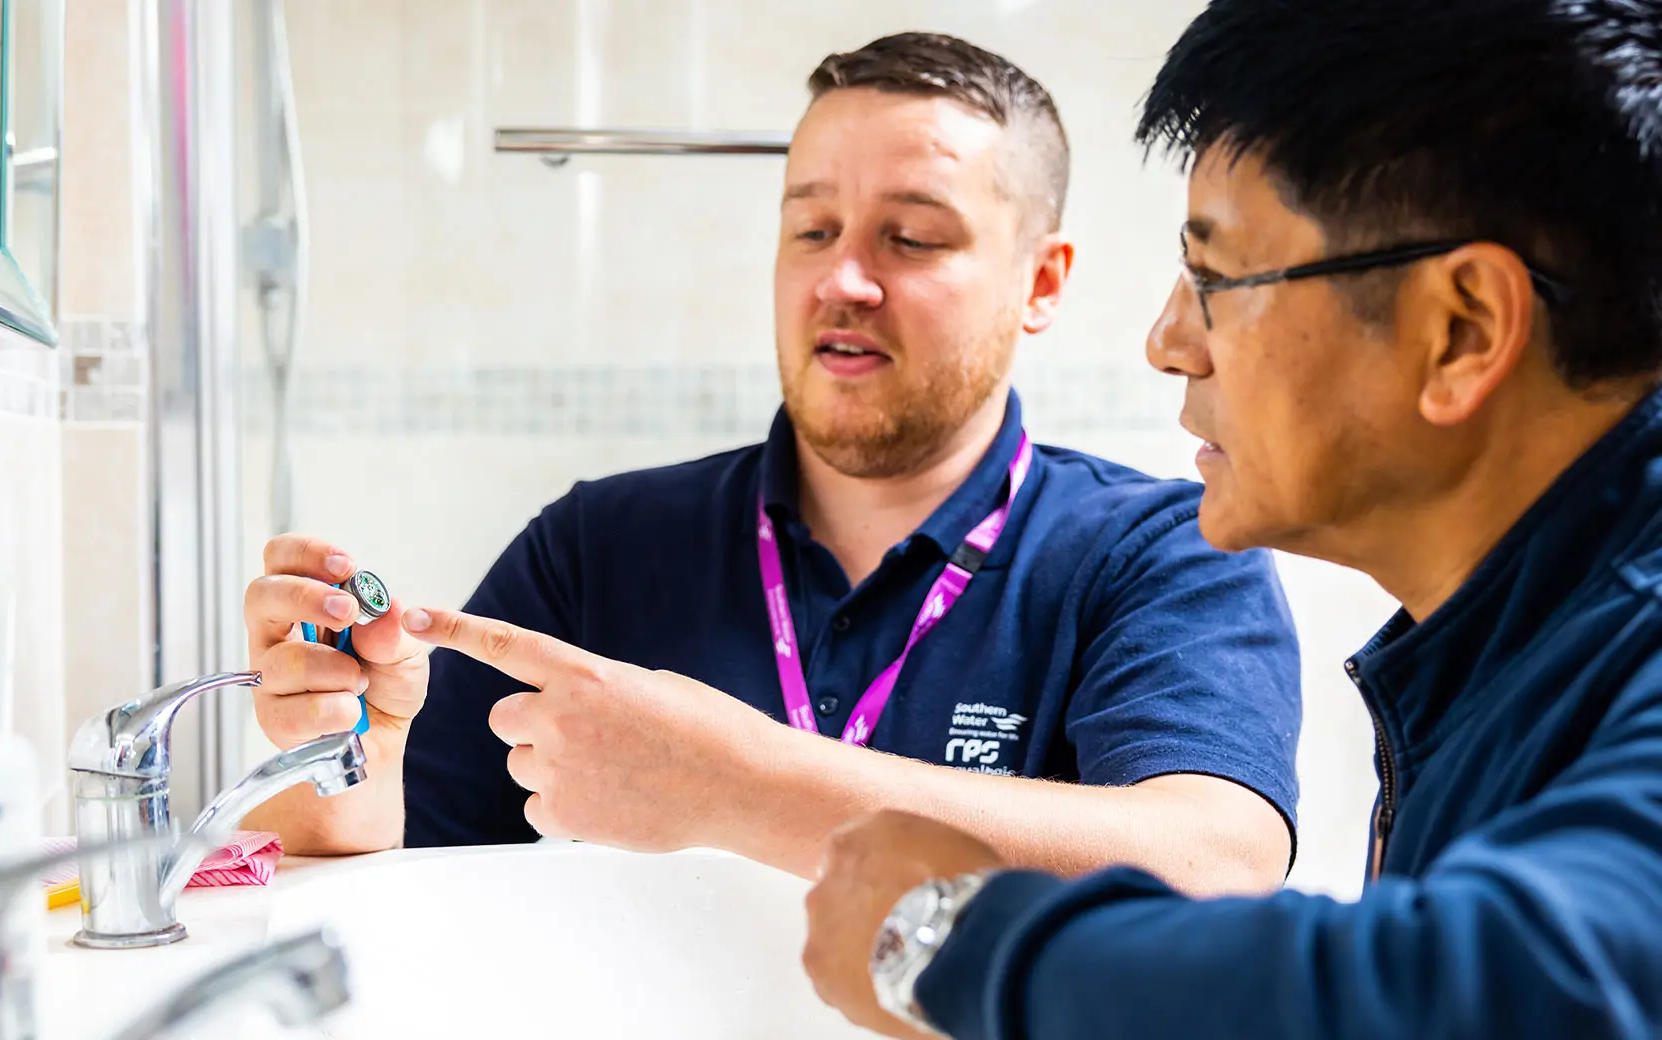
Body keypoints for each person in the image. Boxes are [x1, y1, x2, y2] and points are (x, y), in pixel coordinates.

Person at [242, 32, 1301, 890]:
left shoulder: (1161, 547)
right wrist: (352, 758)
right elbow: (402, 875)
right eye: (813, 227)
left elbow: (1215, 859)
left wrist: (735, 783)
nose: (844, 277)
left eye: (913, 238)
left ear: (1042, 281)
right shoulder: (597, 547)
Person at [798, 1, 1662, 1037]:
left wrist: (952, 936)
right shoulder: (1515, 655)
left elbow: (1522, 982)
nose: (1170, 339)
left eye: (1215, 275)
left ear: (1461, 329)